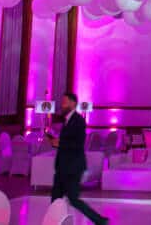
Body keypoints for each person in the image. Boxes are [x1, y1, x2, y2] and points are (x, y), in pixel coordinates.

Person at [49, 93, 108, 225]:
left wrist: (60, 143)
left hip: (73, 167)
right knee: (55, 198)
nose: (62, 105)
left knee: (73, 199)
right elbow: (67, 142)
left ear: (73, 103)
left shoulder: (79, 121)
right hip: (62, 167)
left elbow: (78, 144)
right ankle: (53, 221)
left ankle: (100, 220)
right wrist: (56, 142)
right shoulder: (66, 121)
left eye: (64, 102)